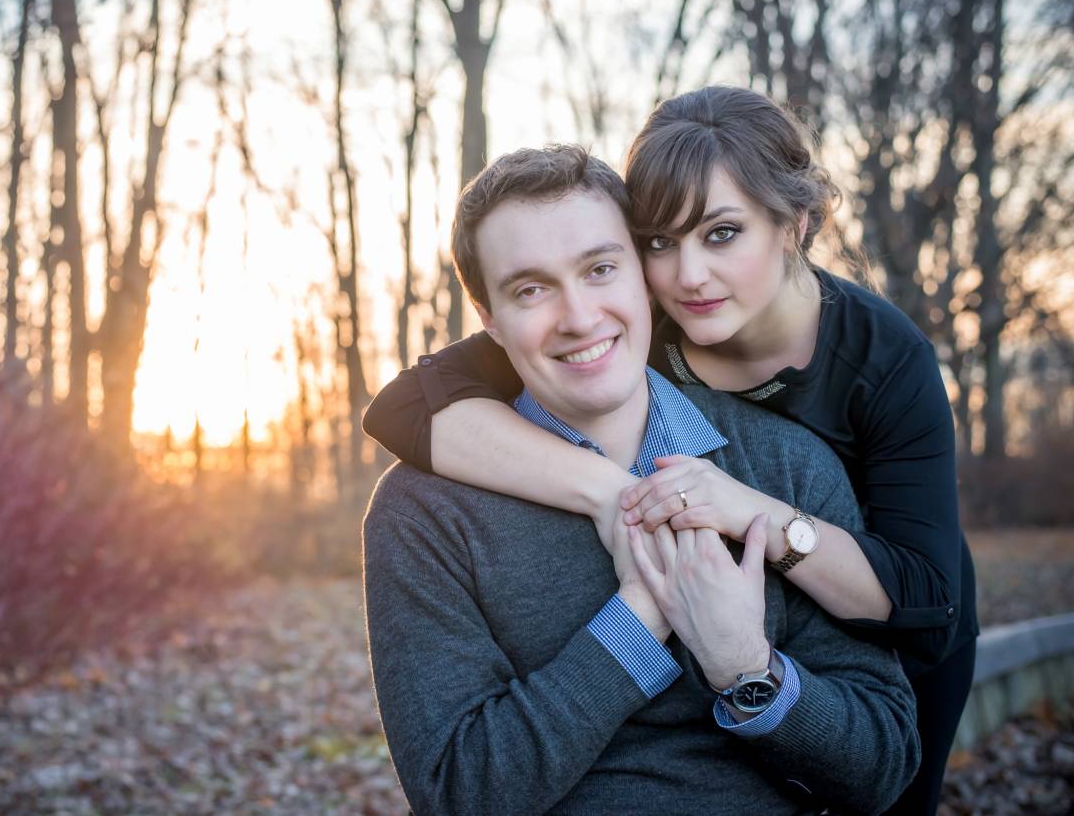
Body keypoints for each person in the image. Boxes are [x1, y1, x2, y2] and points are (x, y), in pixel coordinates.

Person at [363, 86, 976, 815]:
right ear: (489, 319)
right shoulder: (424, 515)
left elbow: (888, 738)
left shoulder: (802, 451)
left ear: (794, 227)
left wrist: (746, 664)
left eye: (599, 268)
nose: (581, 315)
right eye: (531, 290)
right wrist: (637, 609)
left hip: (906, 597)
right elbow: (459, 792)